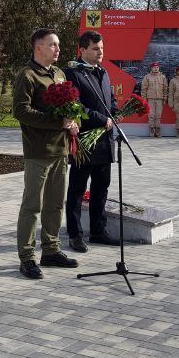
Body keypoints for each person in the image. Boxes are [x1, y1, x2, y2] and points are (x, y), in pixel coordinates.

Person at [13, 28, 79, 279]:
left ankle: (51, 250)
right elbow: (21, 111)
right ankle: (27, 257)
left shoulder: (60, 74)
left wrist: (73, 122)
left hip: (61, 149)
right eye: (53, 45)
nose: (58, 49)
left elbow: (69, 109)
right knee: (32, 205)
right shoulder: (28, 76)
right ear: (38, 47)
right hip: (38, 150)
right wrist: (57, 123)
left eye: (58, 45)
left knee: (55, 204)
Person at [65, 31, 120, 253]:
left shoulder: (103, 72)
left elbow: (110, 100)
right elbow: (76, 107)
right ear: (83, 50)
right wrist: (102, 119)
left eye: (102, 48)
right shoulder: (74, 73)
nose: (101, 52)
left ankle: (98, 230)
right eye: (96, 49)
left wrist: (115, 112)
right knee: (77, 189)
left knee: (101, 187)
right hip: (85, 140)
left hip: (105, 141)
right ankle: (75, 235)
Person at [140, 63, 168, 137]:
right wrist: (144, 99)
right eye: (154, 67)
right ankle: (152, 129)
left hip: (159, 99)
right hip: (150, 99)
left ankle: (158, 130)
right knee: (151, 115)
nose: (156, 68)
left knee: (158, 116)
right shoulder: (147, 77)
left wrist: (165, 98)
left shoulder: (163, 77)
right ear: (151, 68)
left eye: (157, 67)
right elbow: (144, 89)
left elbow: (165, 89)